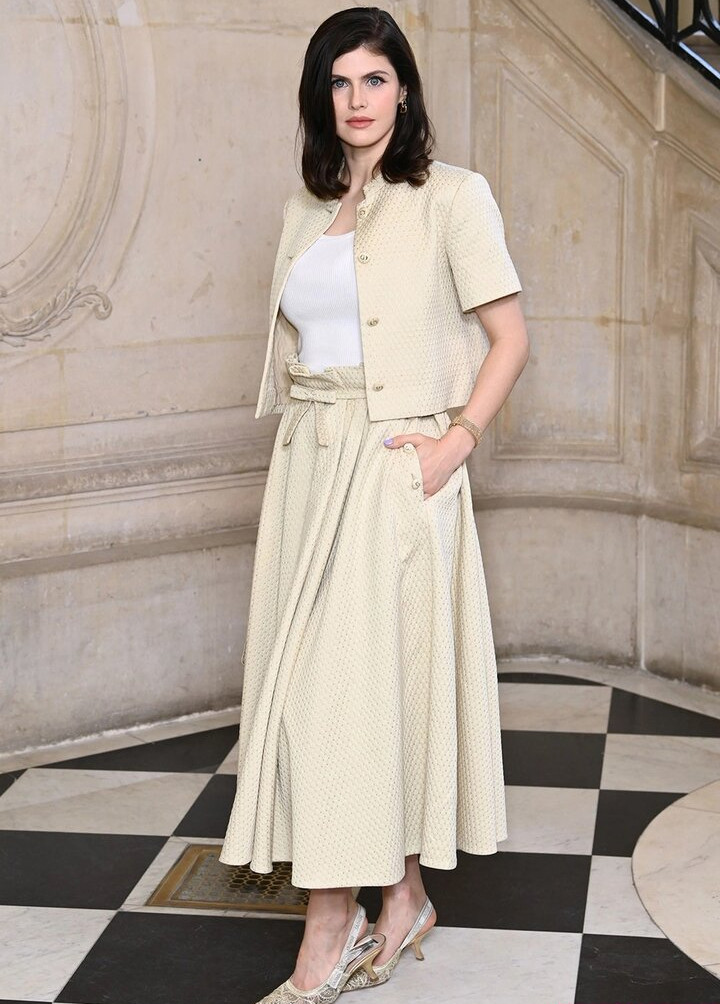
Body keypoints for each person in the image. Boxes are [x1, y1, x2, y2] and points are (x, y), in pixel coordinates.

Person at [219, 7, 530, 1003]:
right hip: (308, 465)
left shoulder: (453, 197)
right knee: (340, 694)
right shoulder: (304, 207)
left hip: (393, 465)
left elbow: (511, 337)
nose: (358, 100)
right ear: (322, 96)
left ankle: (327, 931)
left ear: (405, 89)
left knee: (338, 698)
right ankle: (402, 898)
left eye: (376, 79)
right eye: (341, 82)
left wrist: (453, 445)